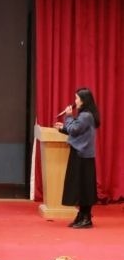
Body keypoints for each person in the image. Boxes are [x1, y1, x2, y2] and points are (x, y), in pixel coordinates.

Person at [54, 87, 100, 229]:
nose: (75, 101)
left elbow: (74, 130)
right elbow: (76, 130)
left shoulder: (86, 116)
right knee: (80, 186)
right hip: (80, 153)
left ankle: (86, 218)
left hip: (83, 155)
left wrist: (68, 116)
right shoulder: (84, 115)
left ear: (83, 100)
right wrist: (63, 128)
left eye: (77, 99)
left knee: (84, 187)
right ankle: (82, 215)